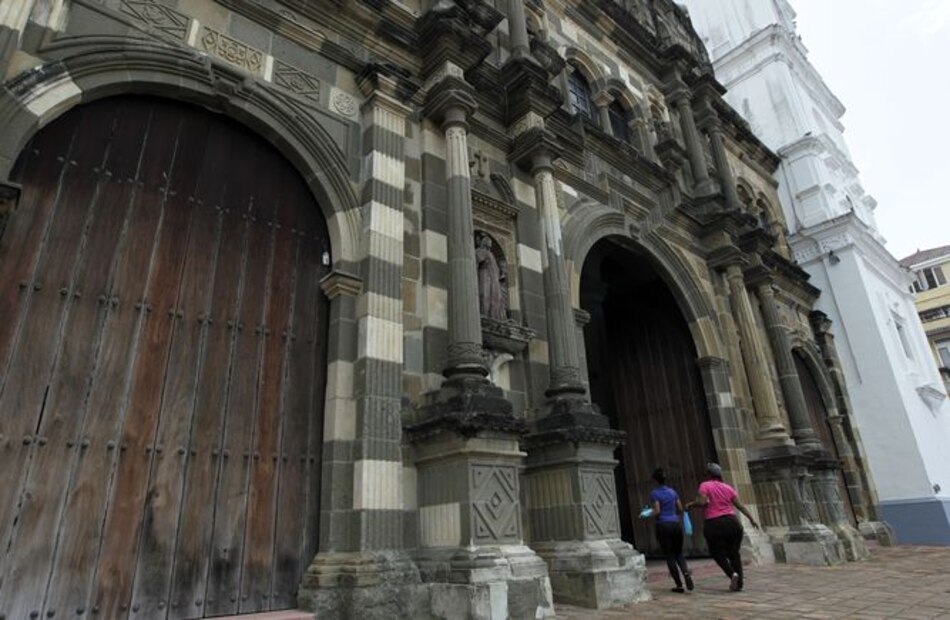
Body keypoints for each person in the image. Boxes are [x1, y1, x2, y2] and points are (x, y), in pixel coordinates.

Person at [686, 462, 760, 592]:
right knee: (734, 554)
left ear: (709, 474)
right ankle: (739, 584)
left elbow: (702, 502)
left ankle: (732, 574)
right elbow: (740, 506)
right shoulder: (728, 487)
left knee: (717, 553)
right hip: (733, 523)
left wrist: (691, 504)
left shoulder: (705, 485)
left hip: (714, 523)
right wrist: (752, 519)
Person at [644, 468, 693, 593]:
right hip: (675, 524)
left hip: (663, 525)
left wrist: (646, 514)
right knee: (679, 553)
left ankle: (679, 584)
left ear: (655, 480)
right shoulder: (672, 492)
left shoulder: (654, 493)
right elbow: (680, 508)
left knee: (669, 555)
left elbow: (657, 511)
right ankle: (686, 573)